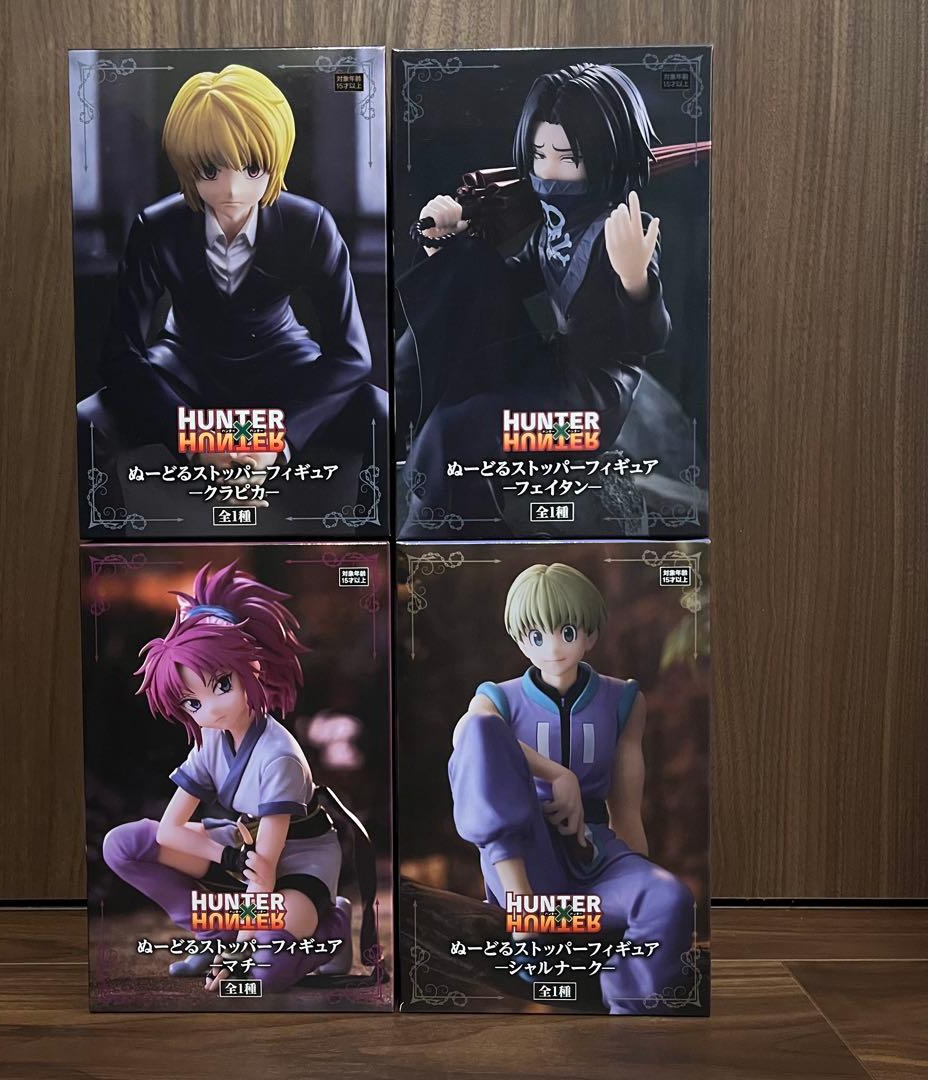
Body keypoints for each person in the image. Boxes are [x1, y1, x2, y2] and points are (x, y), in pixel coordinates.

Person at [78, 65, 386, 510]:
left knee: (381, 412)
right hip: (184, 366)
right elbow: (121, 354)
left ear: (275, 161)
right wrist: (196, 441)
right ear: (187, 164)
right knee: (87, 420)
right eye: (210, 170)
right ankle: (114, 547)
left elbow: (352, 355)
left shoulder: (309, 223)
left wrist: (277, 441)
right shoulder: (157, 226)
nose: (233, 189)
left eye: (253, 168)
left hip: (284, 362)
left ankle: (364, 546)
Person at [396, 64, 671, 536]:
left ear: (606, 156)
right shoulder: (551, 225)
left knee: (457, 428)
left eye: (568, 158)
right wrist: (446, 244)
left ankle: (446, 532)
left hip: (585, 411)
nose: (547, 173)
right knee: (466, 269)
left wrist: (634, 280)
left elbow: (649, 337)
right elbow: (505, 281)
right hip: (549, 370)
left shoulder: (626, 228)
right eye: (539, 155)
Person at [101, 560, 371, 991]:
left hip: (298, 864)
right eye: (192, 703)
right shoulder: (211, 739)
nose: (209, 710)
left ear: (253, 668)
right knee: (124, 844)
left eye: (222, 685)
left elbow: (264, 872)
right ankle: (214, 934)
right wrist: (225, 856)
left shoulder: (279, 757)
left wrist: (240, 954)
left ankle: (330, 927)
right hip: (244, 848)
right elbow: (169, 831)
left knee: (263, 974)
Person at [448, 562, 695, 1013]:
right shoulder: (496, 699)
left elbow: (626, 806)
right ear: (519, 640)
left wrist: (634, 881)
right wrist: (558, 774)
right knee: (480, 731)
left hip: (595, 860)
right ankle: (527, 916)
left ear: (591, 634)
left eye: (566, 631)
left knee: (669, 900)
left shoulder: (623, 700)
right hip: (525, 866)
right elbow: (469, 735)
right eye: (535, 635)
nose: (553, 648)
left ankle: (630, 1012)